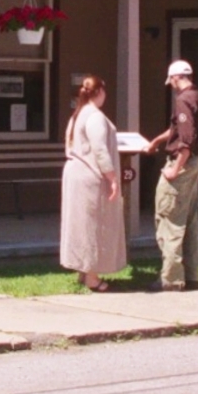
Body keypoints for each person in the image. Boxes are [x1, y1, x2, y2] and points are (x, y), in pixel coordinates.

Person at [143, 59, 198, 291]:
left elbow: (186, 139)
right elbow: (176, 130)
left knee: (169, 219)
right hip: (196, 163)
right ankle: (191, 275)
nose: (170, 84)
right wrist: (156, 141)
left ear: (176, 77)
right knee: (189, 221)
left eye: (171, 80)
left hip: (183, 165)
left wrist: (175, 168)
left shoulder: (182, 100)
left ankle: (170, 279)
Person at [59, 75, 127, 291]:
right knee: (94, 225)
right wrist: (112, 177)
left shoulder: (77, 114)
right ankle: (92, 277)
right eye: (104, 90)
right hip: (90, 177)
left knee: (81, 225)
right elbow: (100, 149)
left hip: (75, 173)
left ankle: (83, 271)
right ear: (98, 92)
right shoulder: (94, 116)